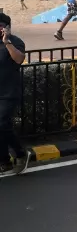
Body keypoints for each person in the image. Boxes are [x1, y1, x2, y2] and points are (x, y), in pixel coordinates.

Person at [0, 13, 28, 175]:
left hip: (8, 92)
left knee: (1, 124)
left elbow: (19, 59)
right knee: (3, 127)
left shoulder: (15, 42)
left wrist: (7, 42)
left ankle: (20, 153)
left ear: (7, 28)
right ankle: (4, 161)